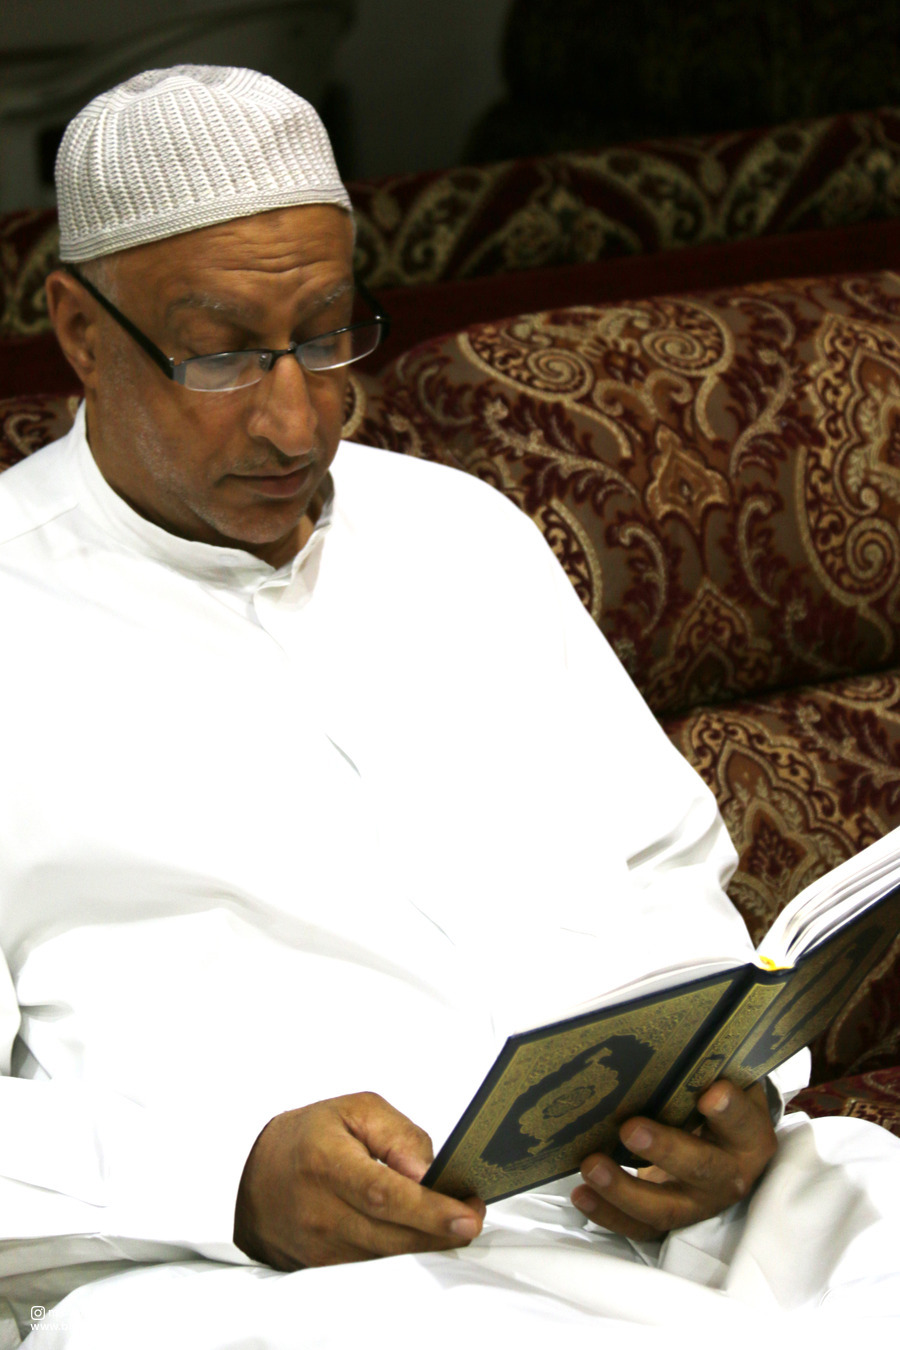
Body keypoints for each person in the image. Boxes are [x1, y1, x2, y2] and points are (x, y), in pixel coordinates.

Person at [0, 66, 897, 1349]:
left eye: (327, 335)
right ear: (80, 330)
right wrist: (232, 1183)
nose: (296, 421)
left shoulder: (458, 531)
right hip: (278, 1279)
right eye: (222, 353)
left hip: (676, 1214)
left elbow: (664, 878)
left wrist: (725, 1101)